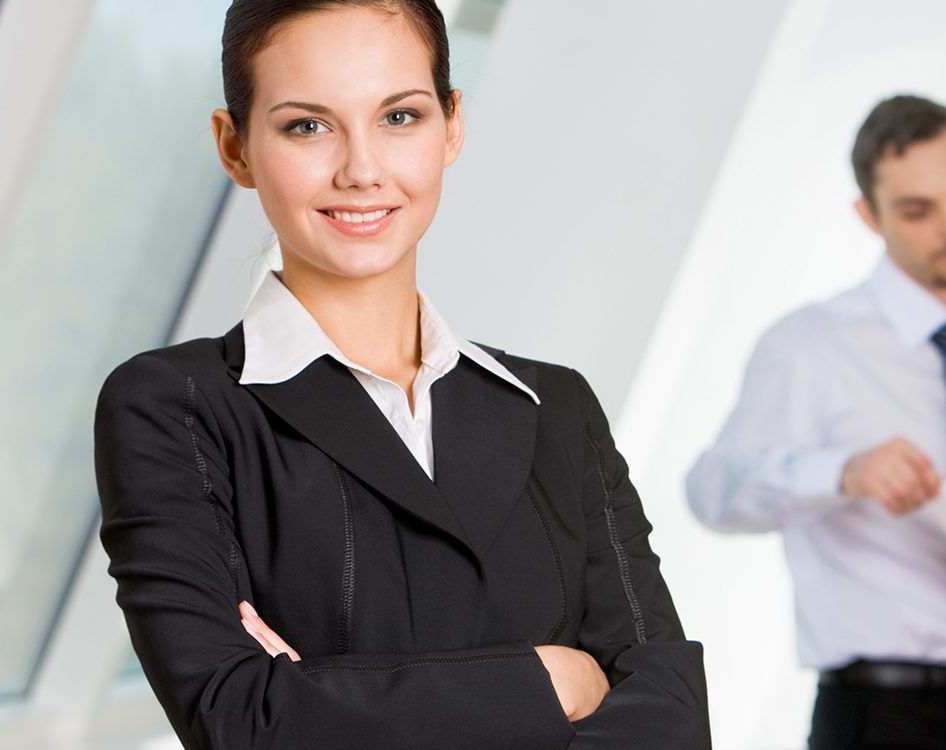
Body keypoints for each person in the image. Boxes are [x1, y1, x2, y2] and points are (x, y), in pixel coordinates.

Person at [92, 2, 709, 747]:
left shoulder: (556, 408)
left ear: (451, 125)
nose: (360, 170)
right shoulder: (175, 408)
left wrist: (327, 699)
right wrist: (549, 680)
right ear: (236, 147)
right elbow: (241, 720)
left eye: (400, 117)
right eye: (306, 126)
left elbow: (672, 719)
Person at [687, 94, 946, 749]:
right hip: (888, 716)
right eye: (918, 210)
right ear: (869, 216)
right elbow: (712, 490)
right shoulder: (811, 343)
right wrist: (843, 472)